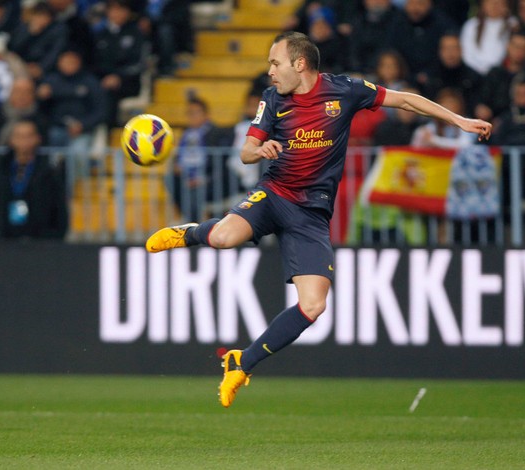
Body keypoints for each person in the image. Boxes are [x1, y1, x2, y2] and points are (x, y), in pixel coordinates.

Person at [145, 31, 491, 408]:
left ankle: (241, 362)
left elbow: (406, 100)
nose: (270, 71)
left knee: (313, 306)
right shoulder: (272, 99)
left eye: (275, 63)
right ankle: (191, 233)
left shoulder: (345, 91)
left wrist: (459, 120)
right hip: (274, 195)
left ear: (300, 63)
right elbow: (245, 151)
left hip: (311, 213)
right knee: (224, 237)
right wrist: (260, 149)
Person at [0, 119, 68, 239]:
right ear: (11, 140)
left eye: (28, 136)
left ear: (38, 138)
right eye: (19, 136)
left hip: (40, 241)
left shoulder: (49, 174)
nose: (24, 141)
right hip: (4, 240)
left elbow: (59, 210)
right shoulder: (1, 172)